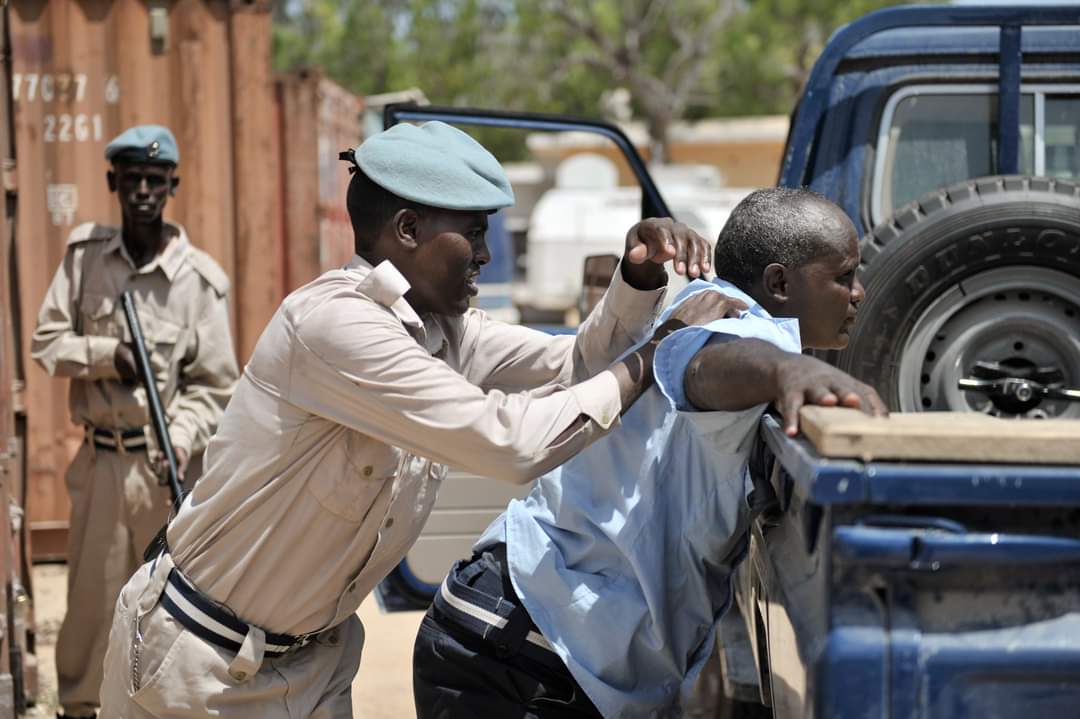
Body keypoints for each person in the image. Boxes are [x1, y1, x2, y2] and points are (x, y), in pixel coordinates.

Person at [98, 120, 743, 717]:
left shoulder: (443, 329)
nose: (487, 255)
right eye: (475, 232)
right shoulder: (336, 324)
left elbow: (573, 366)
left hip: (311, 664)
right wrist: (660, 351)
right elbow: (513, 444)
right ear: (407, 230)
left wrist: (638, 277)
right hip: (200, 666)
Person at [412, 187, 889, 719]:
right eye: (844, 275)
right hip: (522, 656)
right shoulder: (741, 327)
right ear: (779, 282)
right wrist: (788, 369)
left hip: (520, 633)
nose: (859, 292)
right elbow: (706, 366)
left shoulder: (699, 302)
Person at [31, 124, 239, 719]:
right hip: (99, 464)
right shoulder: (85, 261)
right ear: (112, 184)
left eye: (155, 180)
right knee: (90, 609)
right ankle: (78, 708)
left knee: (168, 610)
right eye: (131, 180)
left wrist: (176, 437)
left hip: (166, 469)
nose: (143, 190)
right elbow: (46, 342)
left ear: (171, 185)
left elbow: (216, 386)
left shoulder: (199, 282)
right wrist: (107, 356)